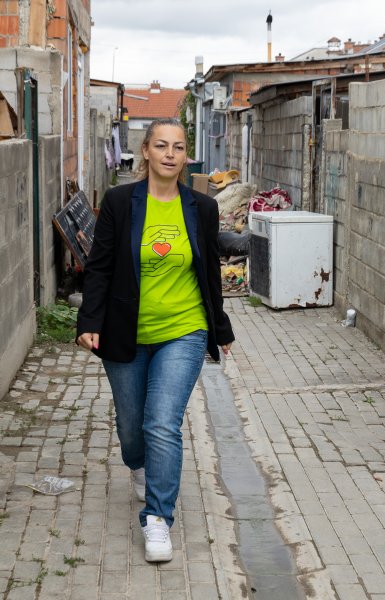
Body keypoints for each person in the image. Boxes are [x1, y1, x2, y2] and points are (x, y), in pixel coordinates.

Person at [76, 118, 234, 562]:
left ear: (186, 156)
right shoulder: (121, 201)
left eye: (178, 147)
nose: (169, 153)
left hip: (183, 329)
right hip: (125, 330)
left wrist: (219, 329)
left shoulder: (201, 208)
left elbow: (210, 274)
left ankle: (158, 518)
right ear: (145, 151)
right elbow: (100, 265)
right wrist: (88, 320)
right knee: (132, 429)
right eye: (161, 145)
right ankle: (140, 466)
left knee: (162, 422)